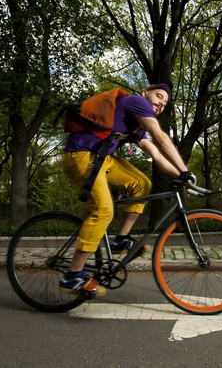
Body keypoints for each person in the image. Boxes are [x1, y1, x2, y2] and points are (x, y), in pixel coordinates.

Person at [59, 83, 196, 296]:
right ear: (145, 93)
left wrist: (183, 176)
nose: (161, 103)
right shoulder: (136, 102)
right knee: (103, 211)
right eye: (159, 96)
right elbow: (160, 137)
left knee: (141, 183)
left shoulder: (137, 126)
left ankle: (120, 240)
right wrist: (185, 169)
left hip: (102, 159)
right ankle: (72, 276)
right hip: (80, 156)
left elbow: (157, 155)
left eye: (165, 103)